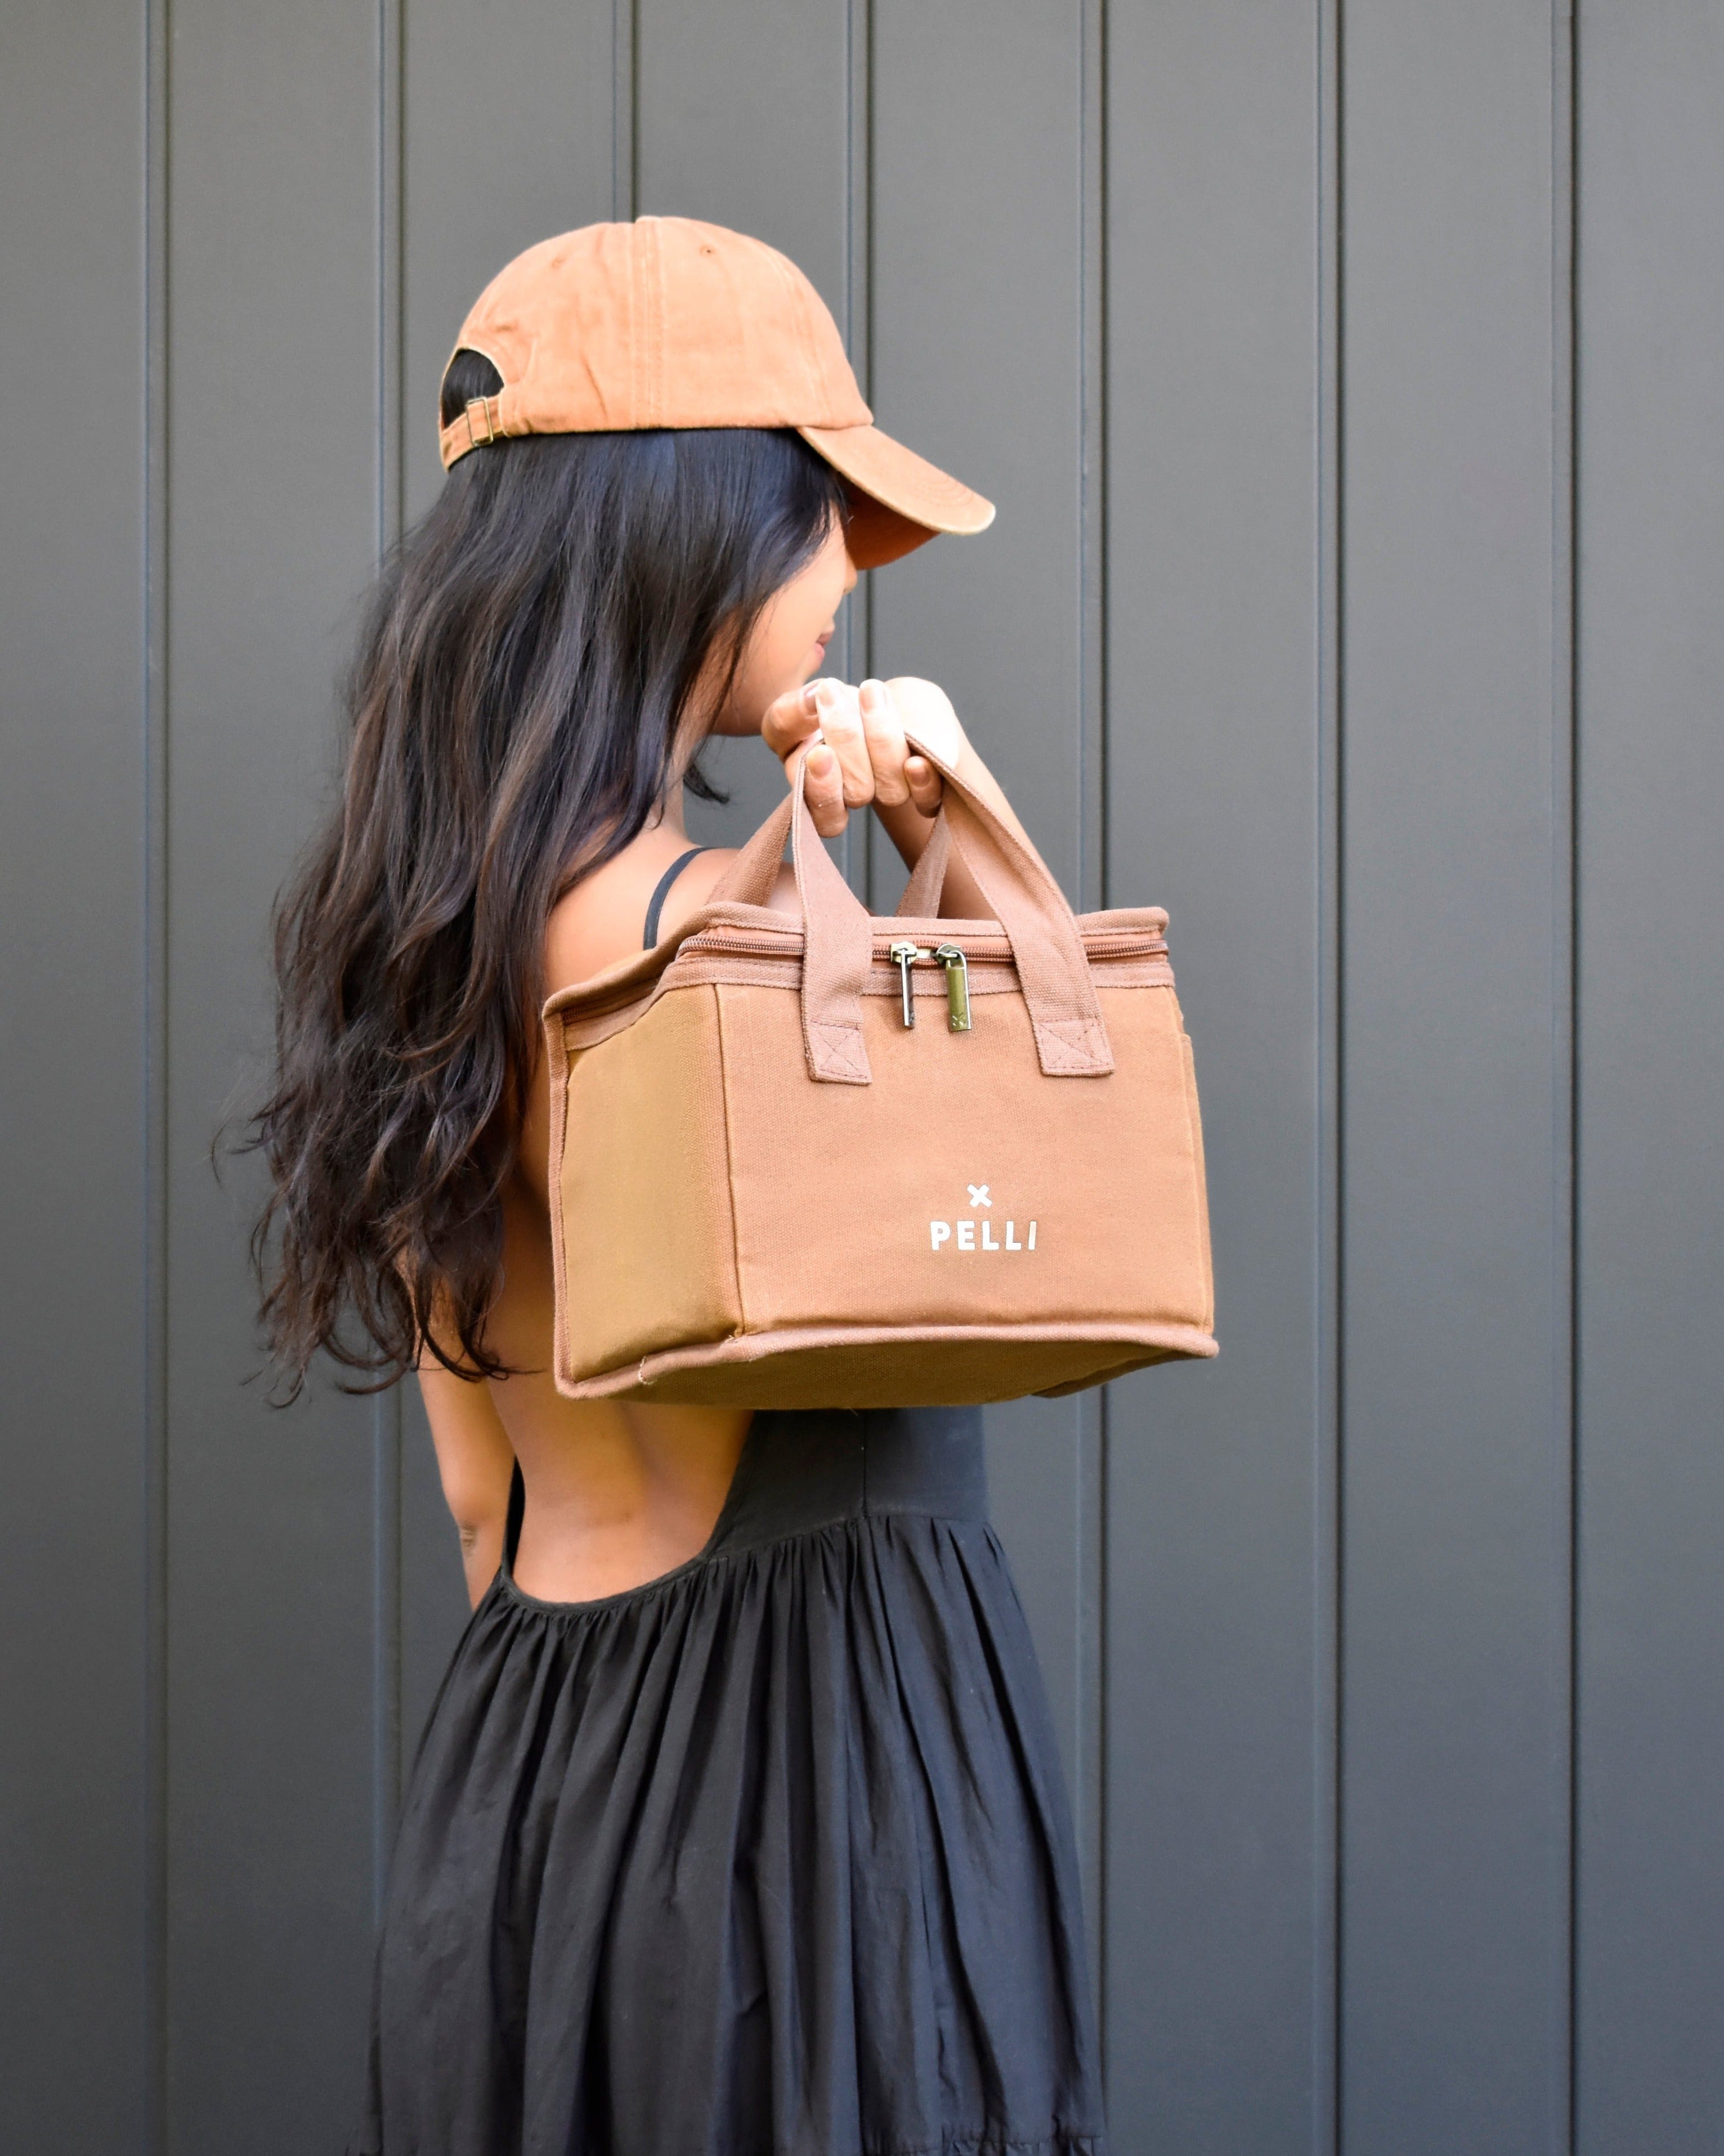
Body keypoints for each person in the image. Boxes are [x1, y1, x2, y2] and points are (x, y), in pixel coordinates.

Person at [248, 220, 1107, 2155]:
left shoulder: (438, 947)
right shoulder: (724, 946)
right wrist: (952, 820)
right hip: (804, 1817)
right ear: (690, 531)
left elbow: (482, 1498)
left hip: (528, 1803)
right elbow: (1016, 1192)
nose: (838, 577)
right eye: (815, 513)